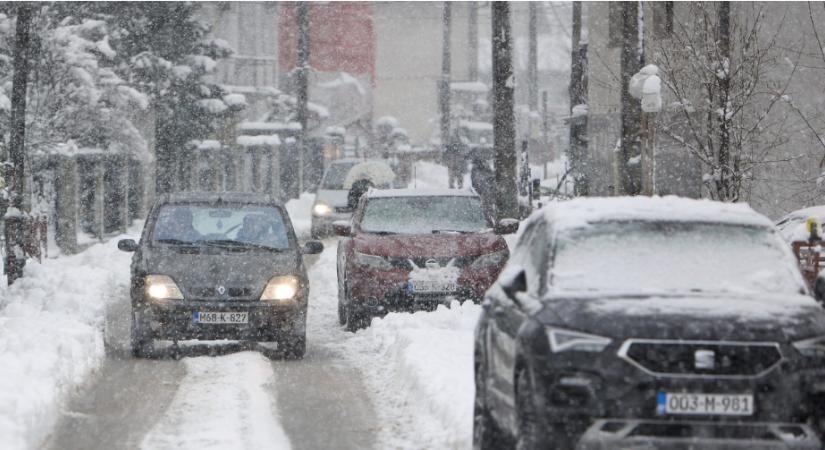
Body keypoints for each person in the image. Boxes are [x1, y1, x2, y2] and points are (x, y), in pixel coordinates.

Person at [471, 150, 496, 222]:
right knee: (487, 208)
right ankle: (489, 220)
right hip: (484, 191)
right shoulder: (477, 170)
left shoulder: (478, 169)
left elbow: (475, 182)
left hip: (485, 191)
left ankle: (489, 220)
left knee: (487, 208)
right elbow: (475, 182)